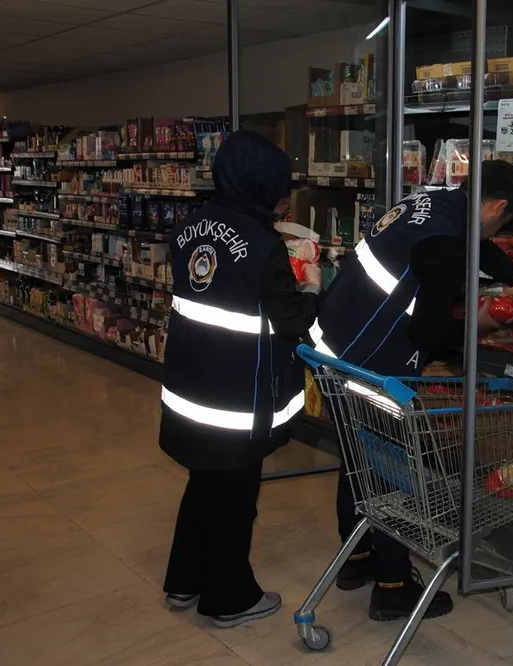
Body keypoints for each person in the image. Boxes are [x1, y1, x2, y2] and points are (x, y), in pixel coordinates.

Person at [311, 159, 513, 621]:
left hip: (331, 344)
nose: (494, 234)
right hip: (370, 364)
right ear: (499, 207)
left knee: (359, 460)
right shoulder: (447, 246)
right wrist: (483, 326)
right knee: (389, 467)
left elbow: (473, 243)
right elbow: (430, 334)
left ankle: (356, 560)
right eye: (501, 224)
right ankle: (393, 586)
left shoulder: (435, 202)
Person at [158, 130, 319, 628]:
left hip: (192, 385)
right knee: (235, 499)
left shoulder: (188, 227)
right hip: (237, 395)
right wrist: (312, 288)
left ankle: (183, 580)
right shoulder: (264, 243)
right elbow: (289, 318)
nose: (284, 195)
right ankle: (229, 597)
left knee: (202, 485)